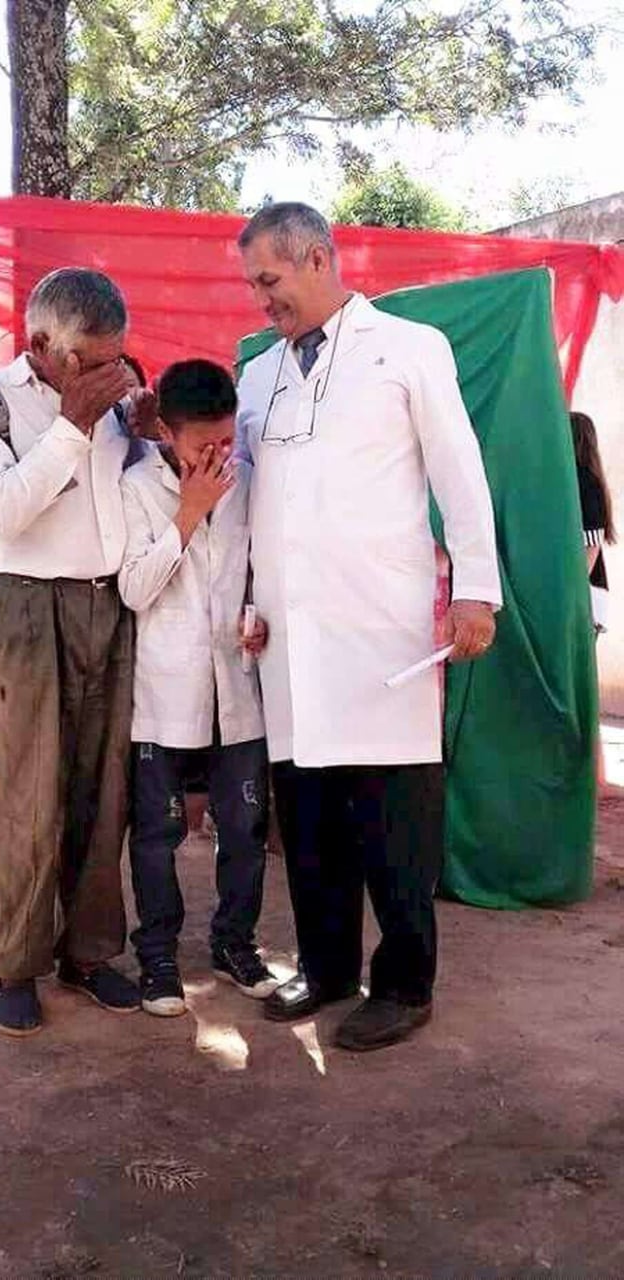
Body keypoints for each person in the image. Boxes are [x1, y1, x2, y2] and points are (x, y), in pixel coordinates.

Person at [236, 202, 502, 1052]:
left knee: (393, 830)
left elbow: (460, 476)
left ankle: (404, 984)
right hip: (286, 640)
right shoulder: (257, 376)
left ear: (318, 258)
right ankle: (323, 968)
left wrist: (477, 591)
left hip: (381, 634)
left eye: (269, 281)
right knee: (308, 824)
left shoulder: (409, 349)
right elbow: (246, 505)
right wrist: (248, 600)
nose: (261, 301)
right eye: (254, 286)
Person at [0, 267, 150, 1037]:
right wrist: (73, 425)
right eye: (92, 360)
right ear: (41, 344)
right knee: (30, 792)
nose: (109, 373)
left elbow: (122, 497)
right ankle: (16, 962)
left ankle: (91, 953)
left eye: (116, 358)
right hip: (27, 605)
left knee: (106, 792)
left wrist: (146, 431)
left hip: (107, 603)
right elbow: (2, 512)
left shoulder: (112, 401)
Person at [119, 359, 277, 1016]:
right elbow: (133, 588)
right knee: (157, 833)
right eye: (200, 446)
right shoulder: (136, 487)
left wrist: (258, 618)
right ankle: (157, 954)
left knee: (244, 828)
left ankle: (233, 942)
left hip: (235, 689)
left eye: (224, 441)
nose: (217, 456)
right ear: (165, 431)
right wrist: (187, 514)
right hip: (163, 695)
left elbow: (256, 573)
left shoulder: (246, 482)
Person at [570, 411, 616, 634]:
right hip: (588, 593)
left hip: (585, 594)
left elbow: (592, 544)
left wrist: (574, 589)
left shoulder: (586, 482)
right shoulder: (591, 480)